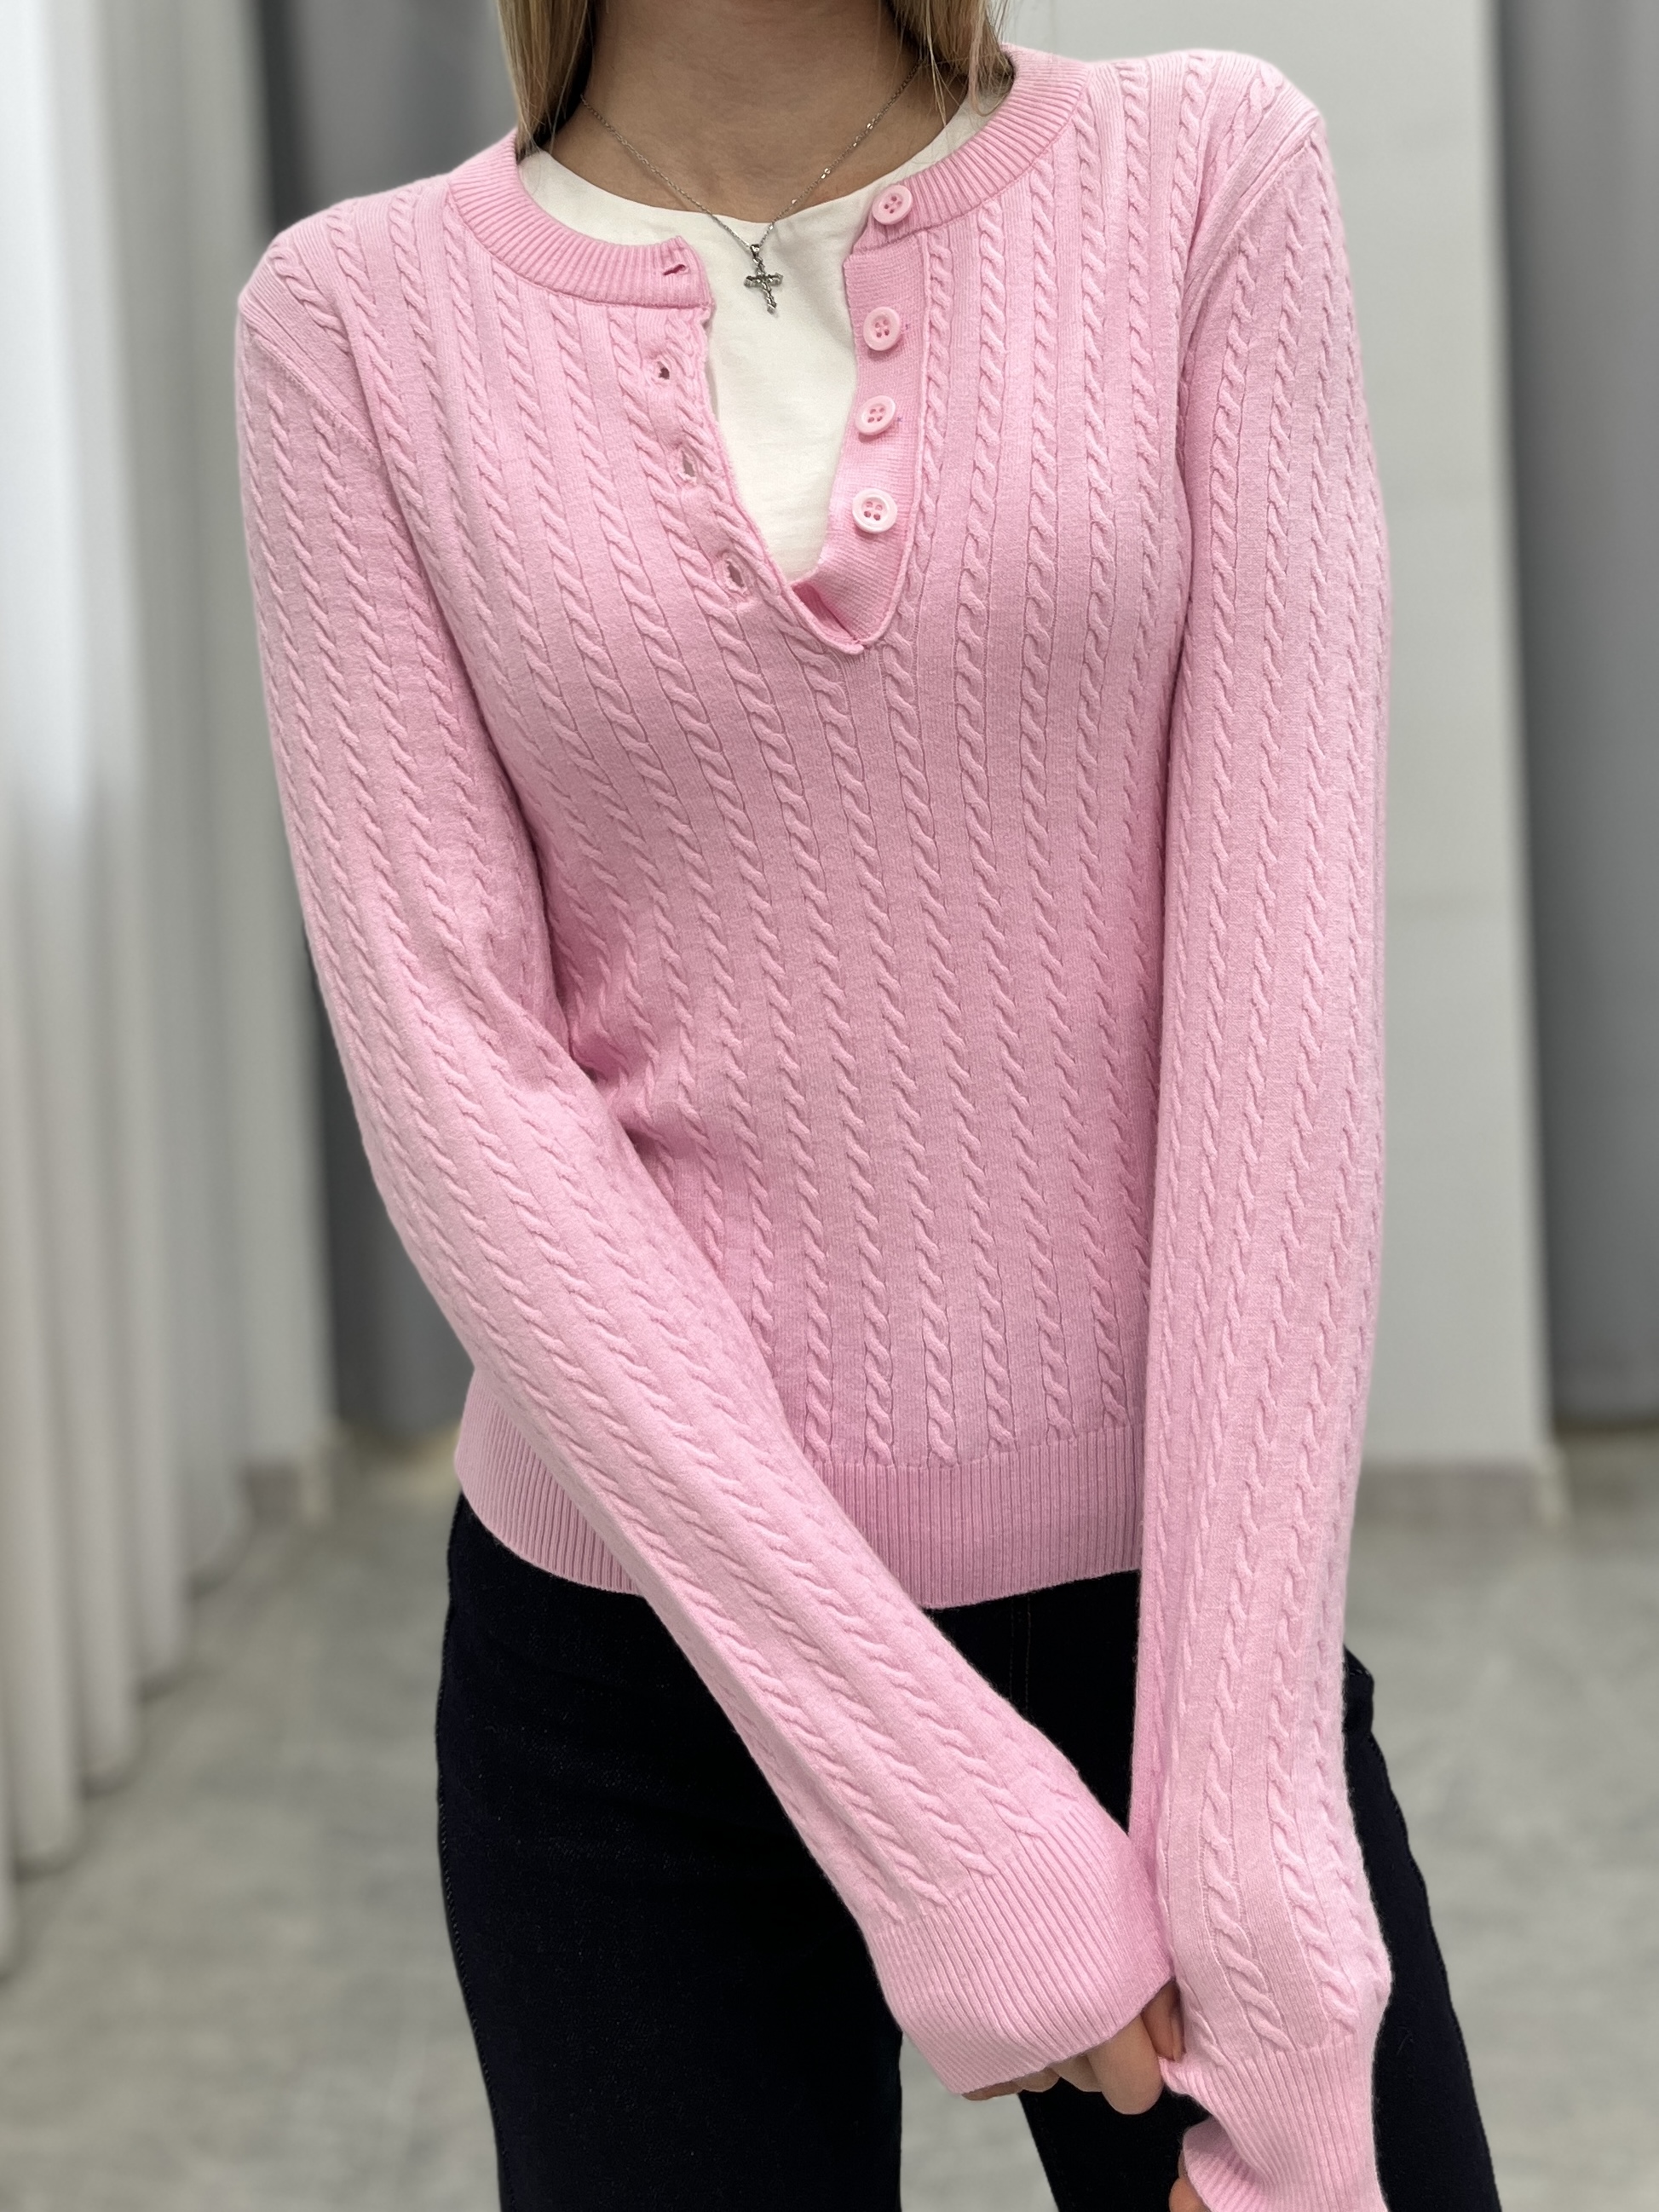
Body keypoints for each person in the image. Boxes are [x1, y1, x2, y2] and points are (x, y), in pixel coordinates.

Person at [233, 3, 1504, 2206]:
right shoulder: (351, 322)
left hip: (1173, 1647)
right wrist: (945, 1820)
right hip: (643, 1658)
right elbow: (459, 1070)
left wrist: (1249, 1830)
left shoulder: (1205, 177)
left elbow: (1280, 1015)